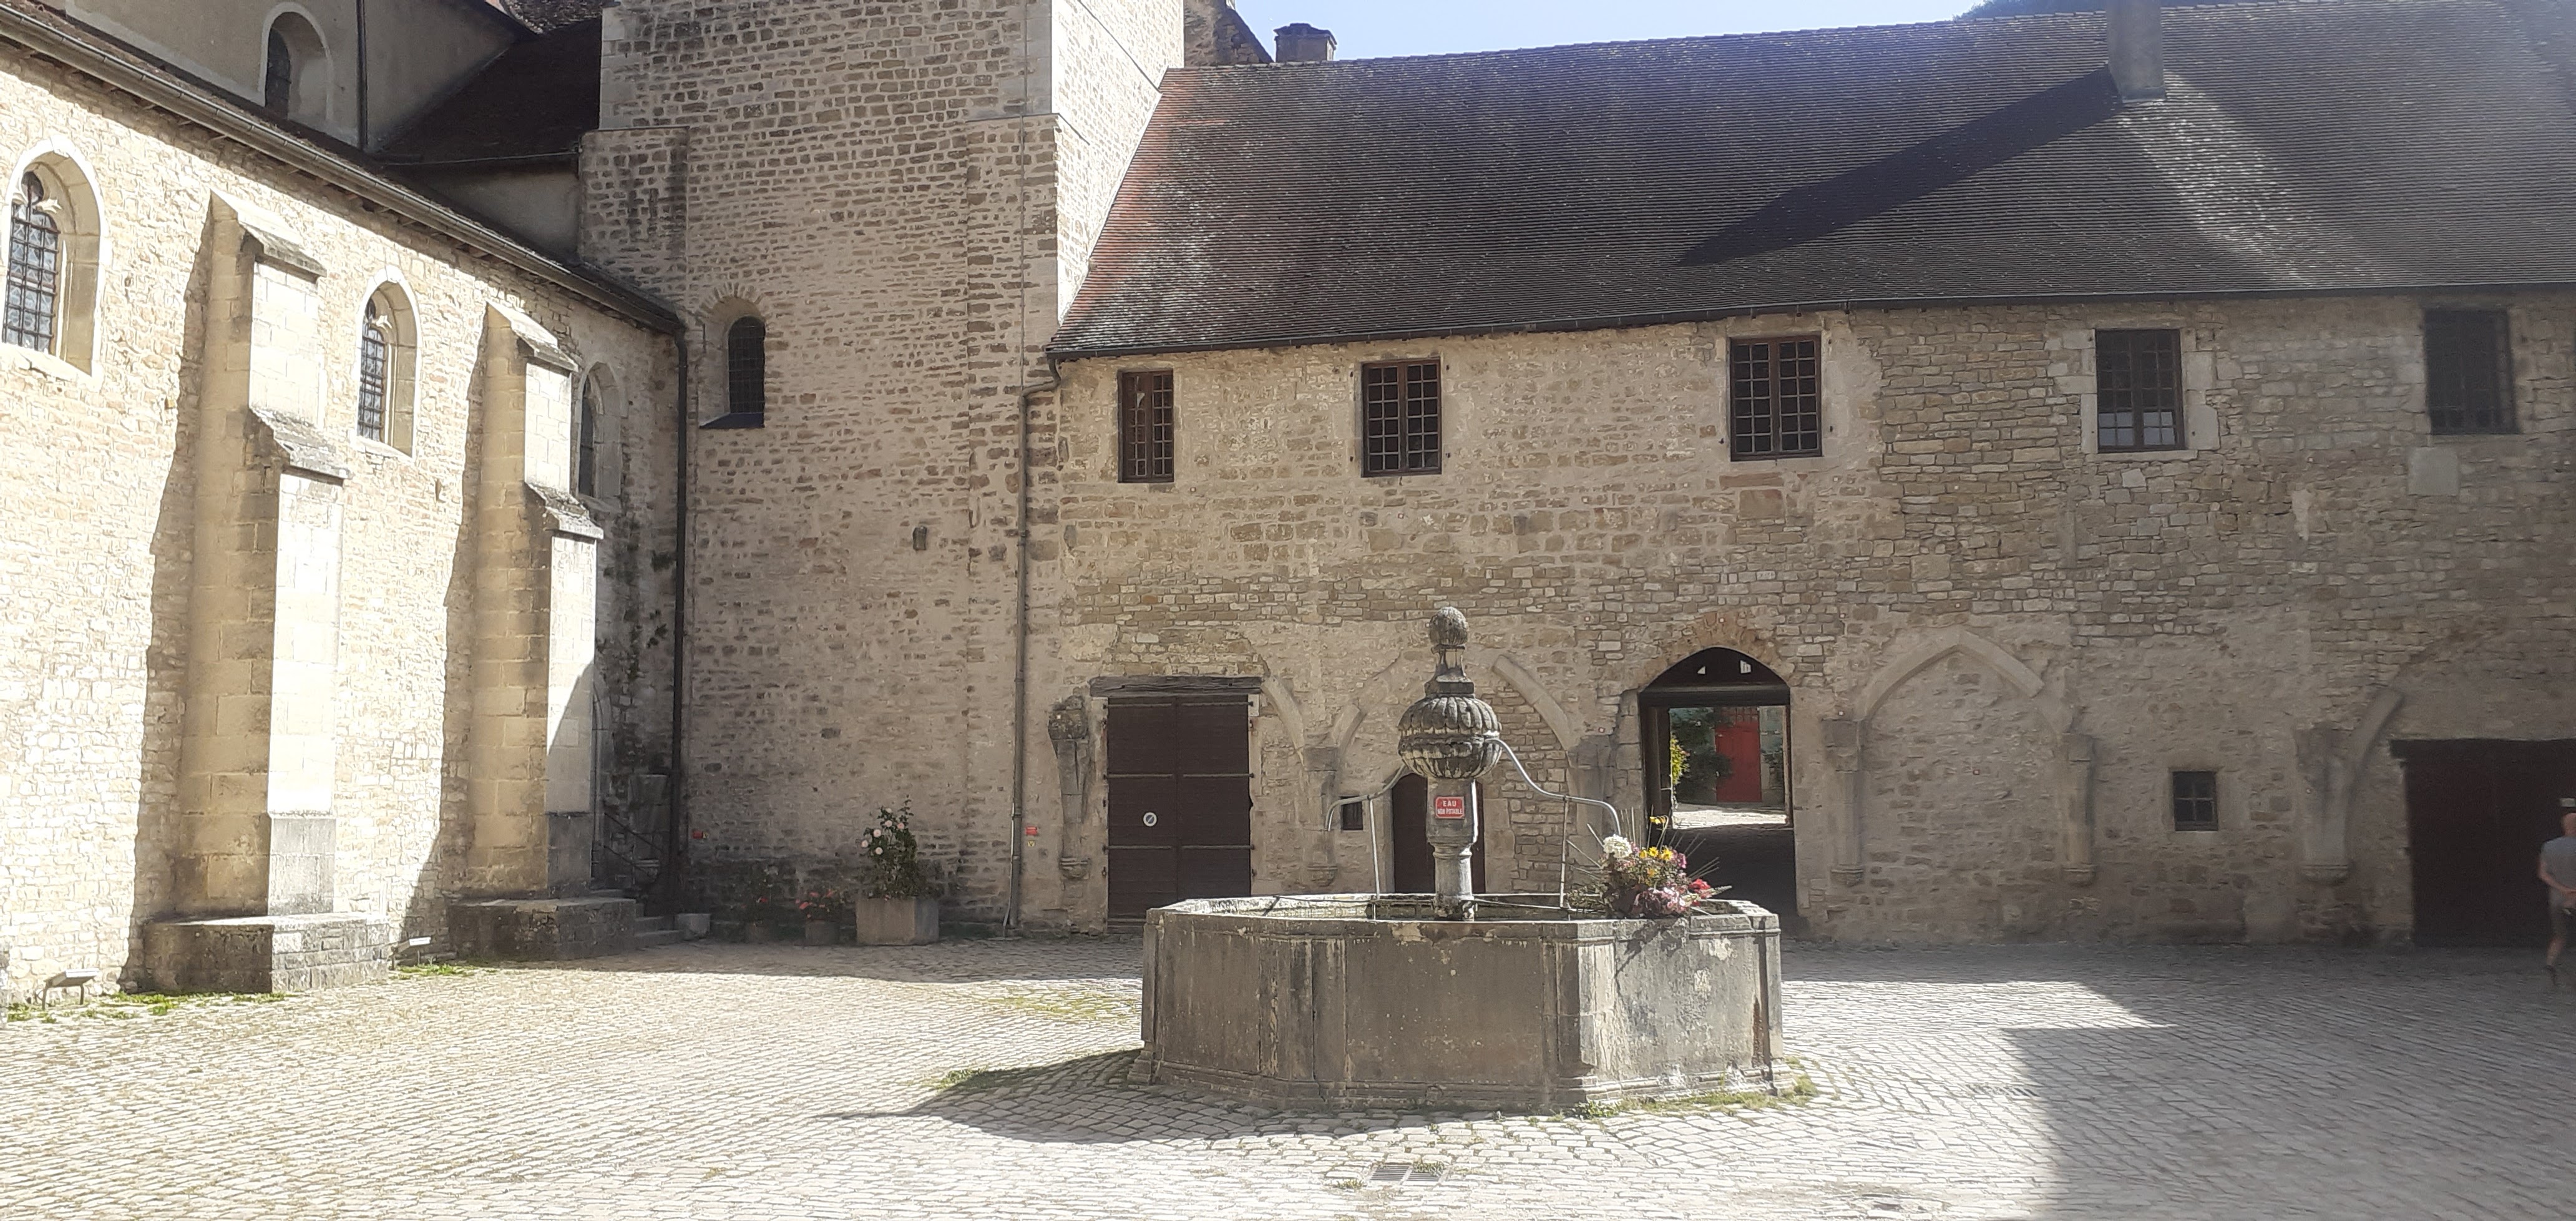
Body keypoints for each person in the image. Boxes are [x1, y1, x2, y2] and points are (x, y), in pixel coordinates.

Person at [2540, 807, 2576, 987]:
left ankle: (2550, 964)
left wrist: (2562, 889)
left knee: (2560, 935)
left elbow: (2543, 874)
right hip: (2574, 899)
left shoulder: (2548, 846)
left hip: (2556, 900)